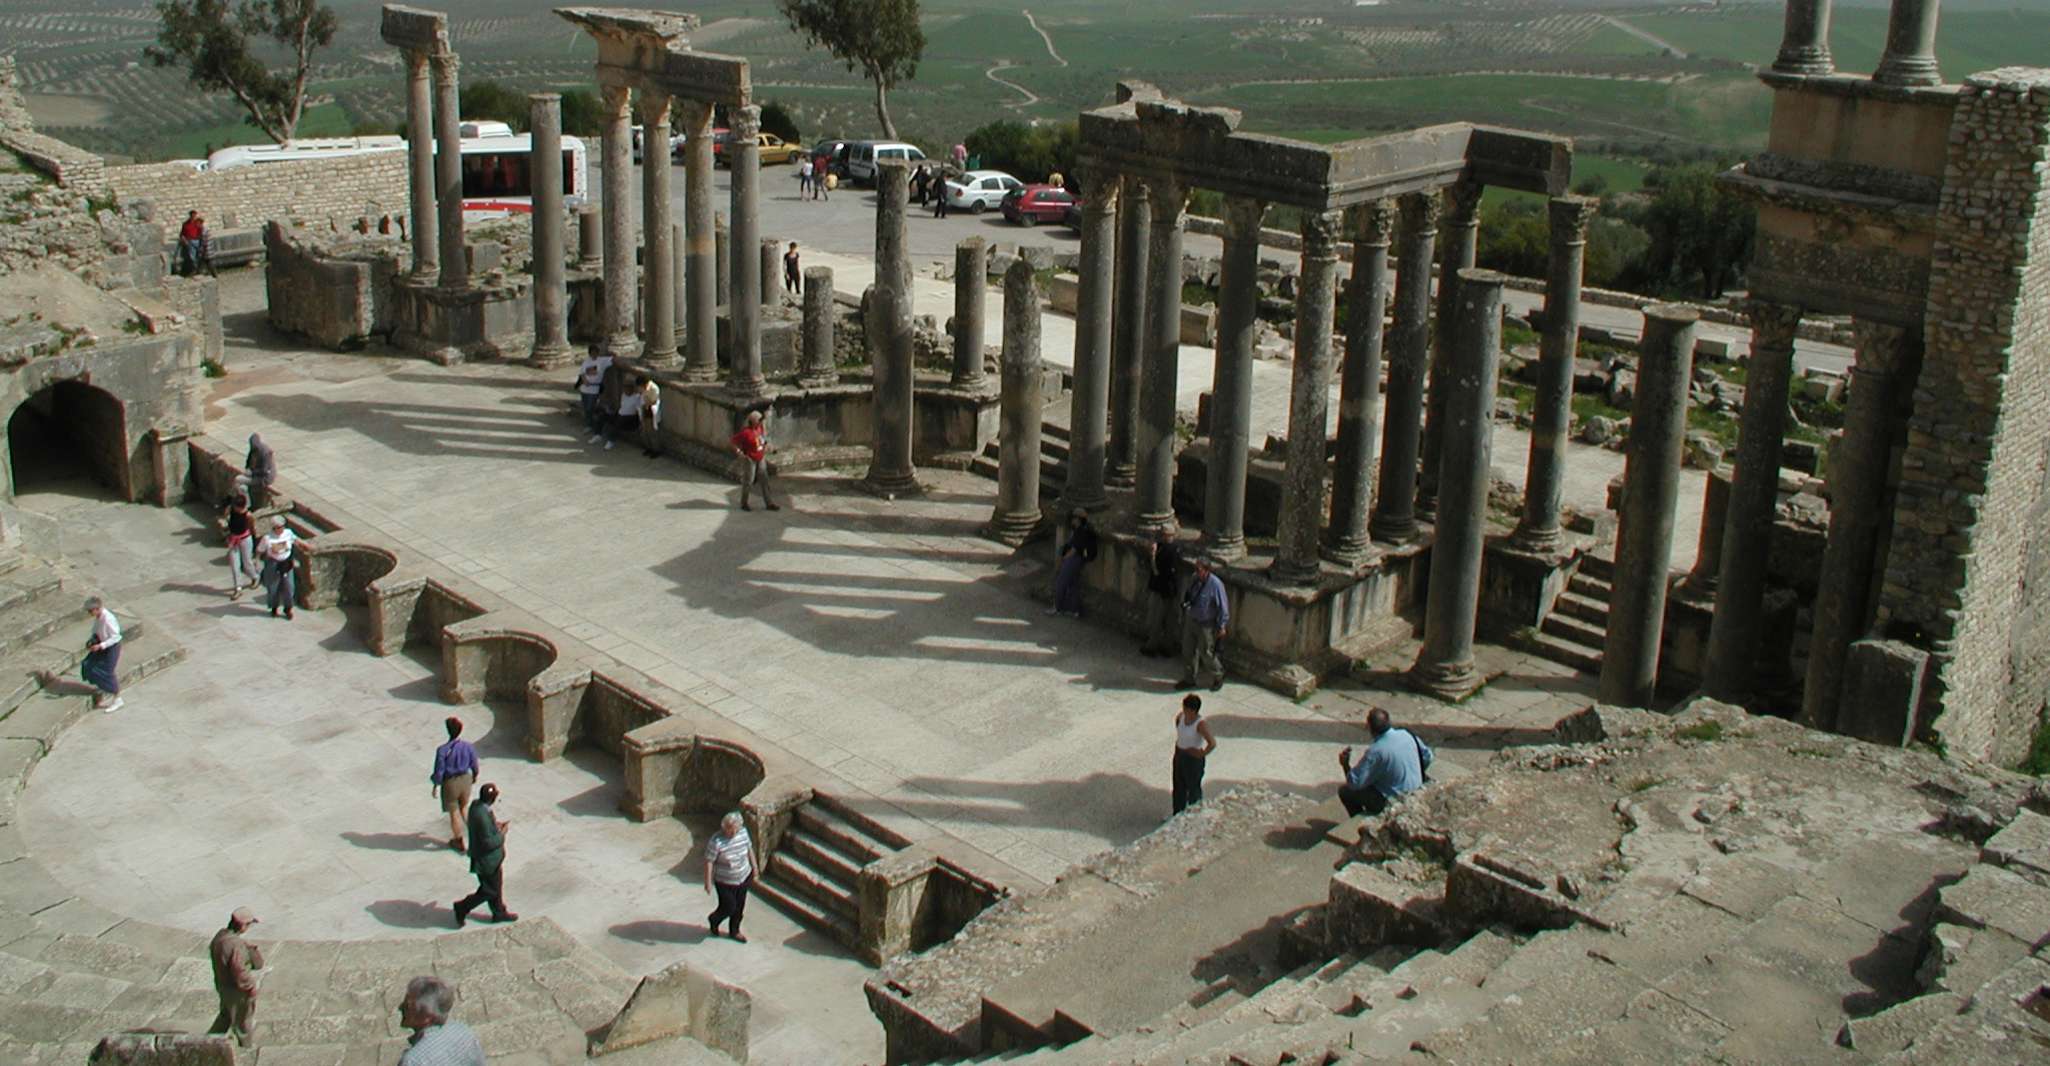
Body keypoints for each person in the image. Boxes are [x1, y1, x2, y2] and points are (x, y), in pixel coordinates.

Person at [1338, 707, 1435, 817]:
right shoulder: (1407, 734)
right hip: (1417, 789)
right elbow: (1428, 757)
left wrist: (1345, 764)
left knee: (1345, 791)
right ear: (1389, 722)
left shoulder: (1376, 752)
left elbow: (1354, 783)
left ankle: (1359, 821)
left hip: (1395, 802)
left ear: (1370, 728)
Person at [453, 782, 516, 926]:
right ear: (491, 799)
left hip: (492, 860)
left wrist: (495, 826)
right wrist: (502, 833)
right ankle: (462, 907)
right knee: (489, 891)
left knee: (495, 886)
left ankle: (498, 912)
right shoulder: (481, 815)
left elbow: (486, 829)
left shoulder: (477, 806)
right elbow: (488, 843)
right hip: (486, 861)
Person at [397, 975, 487, 1066]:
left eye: (408, 1006)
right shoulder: (462, 1031)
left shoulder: (413, 1061)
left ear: (427, 1017)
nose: (400, 1008)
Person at [207, 907, 264, 1048]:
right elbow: (240, 970)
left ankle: (208, 1042)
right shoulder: (236, 945)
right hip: (236, 991)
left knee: (225, 1016)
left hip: (222, 986)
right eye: (249, 924)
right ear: (243, 926)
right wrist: (250, 987)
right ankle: (246, 1050)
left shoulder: (220, 936)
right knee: (243, 1023)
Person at [704, 811, 756, 943]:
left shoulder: (743, 833)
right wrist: (708, 882)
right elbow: (709, 861)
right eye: (728, 830)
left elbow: (749, 849)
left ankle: (735, 931)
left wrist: (754, 867)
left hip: (743, 876)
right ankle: (714, 919)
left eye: (733, 830)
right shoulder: (716, 841)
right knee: (728, 906)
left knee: (739, 907)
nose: (731, 833)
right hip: (725, 881)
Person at [1179, 557, 1228, 692]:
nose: (1196, 571)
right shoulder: (1194, 579)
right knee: (1188, 650)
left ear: (1206, 571)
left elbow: (1223, 607)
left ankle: (1218, 675)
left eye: (1199, 569)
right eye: (1195, 568)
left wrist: (1222, 626)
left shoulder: (1216, 585)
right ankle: (1189, 679)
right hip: (1192, 619)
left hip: (1206, 624)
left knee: (1206, 653)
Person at [431, 716, 479, 854]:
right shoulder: (468, 747)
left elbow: (439, 770)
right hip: (466, 779)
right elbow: (474, 763)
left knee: (454, 812)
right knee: (464, 807)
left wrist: (436, 784)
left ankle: (458, 840)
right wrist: (474, 776)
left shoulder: (443, 750)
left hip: (451, 783)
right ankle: (476, 834)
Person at [1170, 694, 1217, 816]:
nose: (1183, 710)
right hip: (1180, 754)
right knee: (1178, 786)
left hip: (1192, 759)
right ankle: (1177, 814)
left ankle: (1194, 815)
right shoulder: (1181, 717)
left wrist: (1201, 753)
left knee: (1193, 788)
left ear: (1193, 710)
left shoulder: (1200, 724)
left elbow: (1212, 743)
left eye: (1186, 708)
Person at [1047, 509, 1097, 618]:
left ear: (1078, 520)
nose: (1072, 520)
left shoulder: (1080, 531)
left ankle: (1057, 607)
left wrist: (1062, 559)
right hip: (1079, 560)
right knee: (1073, 584)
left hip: (1074, 559)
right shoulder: (1083, 529)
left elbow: (1074, 550)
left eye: (1073, 518)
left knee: (1061, 582)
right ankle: (1074, 610)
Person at [1140, 529, 1182, 657]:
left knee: (1157, 619)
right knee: (1167, 620)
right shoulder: (1167, 548)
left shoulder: (1169, 550)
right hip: (1166, 589)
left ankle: (1152, 646)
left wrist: (1153, 556)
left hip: (1163, 589)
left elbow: (1157, 571)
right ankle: (1166, 647)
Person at [729, 410, 778, 512]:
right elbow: (732, 442)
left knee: (764, 480)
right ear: (753, 421)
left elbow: (762, 440)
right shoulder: (745, 433)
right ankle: (744, 503)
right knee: (749, 481)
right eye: (759, 420)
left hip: (760, 457)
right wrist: (739, 453)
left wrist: (769, 447)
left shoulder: (759, 429)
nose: (760, 422)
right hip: (750, 459)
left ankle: (769, 503)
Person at [82, 597, 123, 714]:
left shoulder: (108, 619)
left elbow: (116, 637)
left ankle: (117, 698)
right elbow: (96, 630)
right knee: (89, 665)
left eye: (90, 611)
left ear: (97, 609)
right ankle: (103, 689)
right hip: (102, 646)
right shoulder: (98, 618)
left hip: (111, 648)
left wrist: (101, 646)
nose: (89, 613)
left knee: (107, 672)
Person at [258, 516, 297, 620]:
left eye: (281, 527)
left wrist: (307, 546)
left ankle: (288, 608)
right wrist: (256, 560)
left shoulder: (288, 533)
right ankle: (274, 607)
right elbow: (260, 550)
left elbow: (296, 541)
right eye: (277, 527)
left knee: (289, 587)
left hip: (286, 563)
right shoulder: (267, 538)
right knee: (273, 587)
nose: (280, 529)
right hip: (273, 563)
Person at [222, 494, 256, 600]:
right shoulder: (230, 509)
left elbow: (251, 526)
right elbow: (226, 517)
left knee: (247, 562)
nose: (236, 508)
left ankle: (255, 576)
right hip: (233, 539)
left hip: (245, 539)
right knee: (234, 564)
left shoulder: (248, 515)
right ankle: (238, 588)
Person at [576, 347, 612, 442]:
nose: (594, 354)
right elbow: (582, 373)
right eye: (592, 353)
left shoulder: (602, 361)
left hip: (594, 389)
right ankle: (589, 425)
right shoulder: (586, 362)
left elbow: (613, 359)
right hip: (585, 389)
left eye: (596, 352)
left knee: (590, 408)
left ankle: (593, 425)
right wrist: (585, 380)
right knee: (586, 408)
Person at [603, 374, 643, 451]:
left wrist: (641, 422)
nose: (626, 390)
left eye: (628, 388)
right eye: (625, 388)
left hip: (629, 417)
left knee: (618, 423)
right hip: (620, 414)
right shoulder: (623, 395)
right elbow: (621, 406)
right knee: (603, 414)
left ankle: (611, 441)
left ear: (632, 389)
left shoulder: (637, 397)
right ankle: (599, 434)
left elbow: (639, 410)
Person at [241, 433, 275, 510]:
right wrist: (247, 469)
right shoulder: (253, 450)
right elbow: (248, 461)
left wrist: (253, 472)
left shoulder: (265, 452)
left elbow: (265, 470)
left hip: (265, 477)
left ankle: (254, 506)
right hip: (256, 473)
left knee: (249, 485)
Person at [637, 374, 662, 459]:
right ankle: (649, 448)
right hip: (645, 409)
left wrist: (647, 404)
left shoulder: (654, 388)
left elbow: (654, 401)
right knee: (645, 431)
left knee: (652, 432)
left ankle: (656, 450)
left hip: (651, 410)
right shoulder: (643, 389)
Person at [177, 210, 206, 276]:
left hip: (197, 241)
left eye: (194, 215)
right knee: (192, 257)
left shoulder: (197, 223)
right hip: (189, 242)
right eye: (192, 215)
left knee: (198, 256)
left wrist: (201, 241)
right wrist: (184, 239)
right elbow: (182, 234)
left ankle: (198, 270)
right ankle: (194, 270)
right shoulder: (185, 224)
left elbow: (202, 232)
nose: (193, 217)